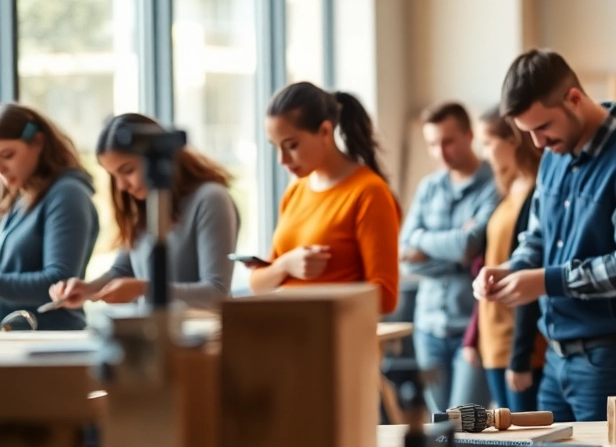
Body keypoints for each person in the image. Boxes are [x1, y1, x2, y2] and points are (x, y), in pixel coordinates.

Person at [474, 50, 616, 423]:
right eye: (527, 132)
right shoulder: (554, 154)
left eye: (542, 127)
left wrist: (544, 281)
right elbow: (537, 237)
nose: (536, 143)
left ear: (574, 99)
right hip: (556, 359)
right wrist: (510, 269)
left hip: (614, 361)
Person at [49, 113, 239, 310]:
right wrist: (87, 289)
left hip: (202, 335)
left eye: (128, 170)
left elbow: (217, 293)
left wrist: (144, 289)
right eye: (114, 176)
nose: (122, 186)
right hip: (154, 332)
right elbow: (123, 270)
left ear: (160, 159)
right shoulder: (143, 204)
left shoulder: (211, 199)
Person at [250, 82, 400, 314]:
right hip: (286, 339)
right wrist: (285, 266)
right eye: (276, 147)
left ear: (325, 132)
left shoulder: (369, 192)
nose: (282, 160)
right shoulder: (295, 191)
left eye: (291, 145)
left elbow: (385, 297)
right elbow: (257, 284)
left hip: (338, 343)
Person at [400, 101, 498, 411]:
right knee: (438, 428)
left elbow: (469, 246)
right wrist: (456, 252)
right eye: (432, 144)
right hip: (427, 327)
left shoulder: (495, 185)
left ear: (469, 136)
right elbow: (404, 253)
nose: (440, 153)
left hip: (471, 329)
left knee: (464, 424)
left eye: (448, 141)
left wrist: (424, 244)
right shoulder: (428, 188)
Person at [462, 107, 548, 412]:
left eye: (487, 142)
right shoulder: (510, 190)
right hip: (494, 337)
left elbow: (530, 270)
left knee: (525, 437)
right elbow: (490, 266)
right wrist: (474, 336)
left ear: (513, 140)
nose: (484, 153)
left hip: (519, 343)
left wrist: (521, 356)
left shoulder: (536, 192)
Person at [0, 104, 99, 330]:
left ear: (38, 143)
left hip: (52, 341)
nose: (0, 169)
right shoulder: (21, 198)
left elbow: (58, 281)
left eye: (7, 155)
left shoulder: (67, 194)